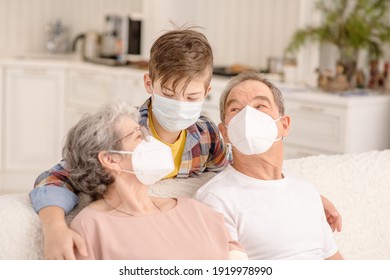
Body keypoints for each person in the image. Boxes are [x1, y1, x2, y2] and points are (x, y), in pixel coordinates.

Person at [29, 27, 341, 259]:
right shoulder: (125, 133)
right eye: (167, 93)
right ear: (149, 84)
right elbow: (56, 177)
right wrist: (54, 227)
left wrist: (304, 199)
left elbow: (242, 174)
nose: (180, 104)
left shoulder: (206, 136)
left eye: (191, 96)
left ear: (206, 92)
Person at [63, 100, 247, 259]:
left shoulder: (193, 209)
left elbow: (233, 252)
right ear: (110, 159)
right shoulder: (93, 225)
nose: (150, 140)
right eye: (139, 136)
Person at [195, 71, 343, 260]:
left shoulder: (307, 191)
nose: (248, 115)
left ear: (284, 125)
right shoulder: (216, 199)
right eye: (236, 110)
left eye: (260, 106)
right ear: (225, 132)